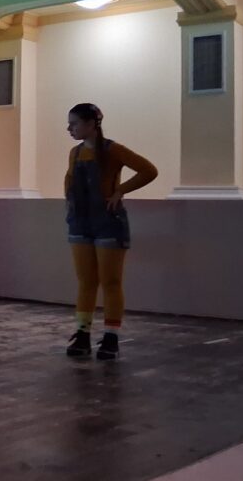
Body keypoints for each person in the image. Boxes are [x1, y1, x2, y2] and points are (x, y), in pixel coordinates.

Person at [63, 103, 157, 360]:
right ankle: (82, 334)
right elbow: (69, 179)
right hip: (80, 222)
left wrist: (120, 191)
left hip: (108, 221)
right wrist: (70, 204)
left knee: (111, 281)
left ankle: (111, 337)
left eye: (74, 123)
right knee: (86, 281)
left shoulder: (113, 150)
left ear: (91, 124)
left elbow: (148, 170)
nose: (69, 128)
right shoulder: (75, 153)